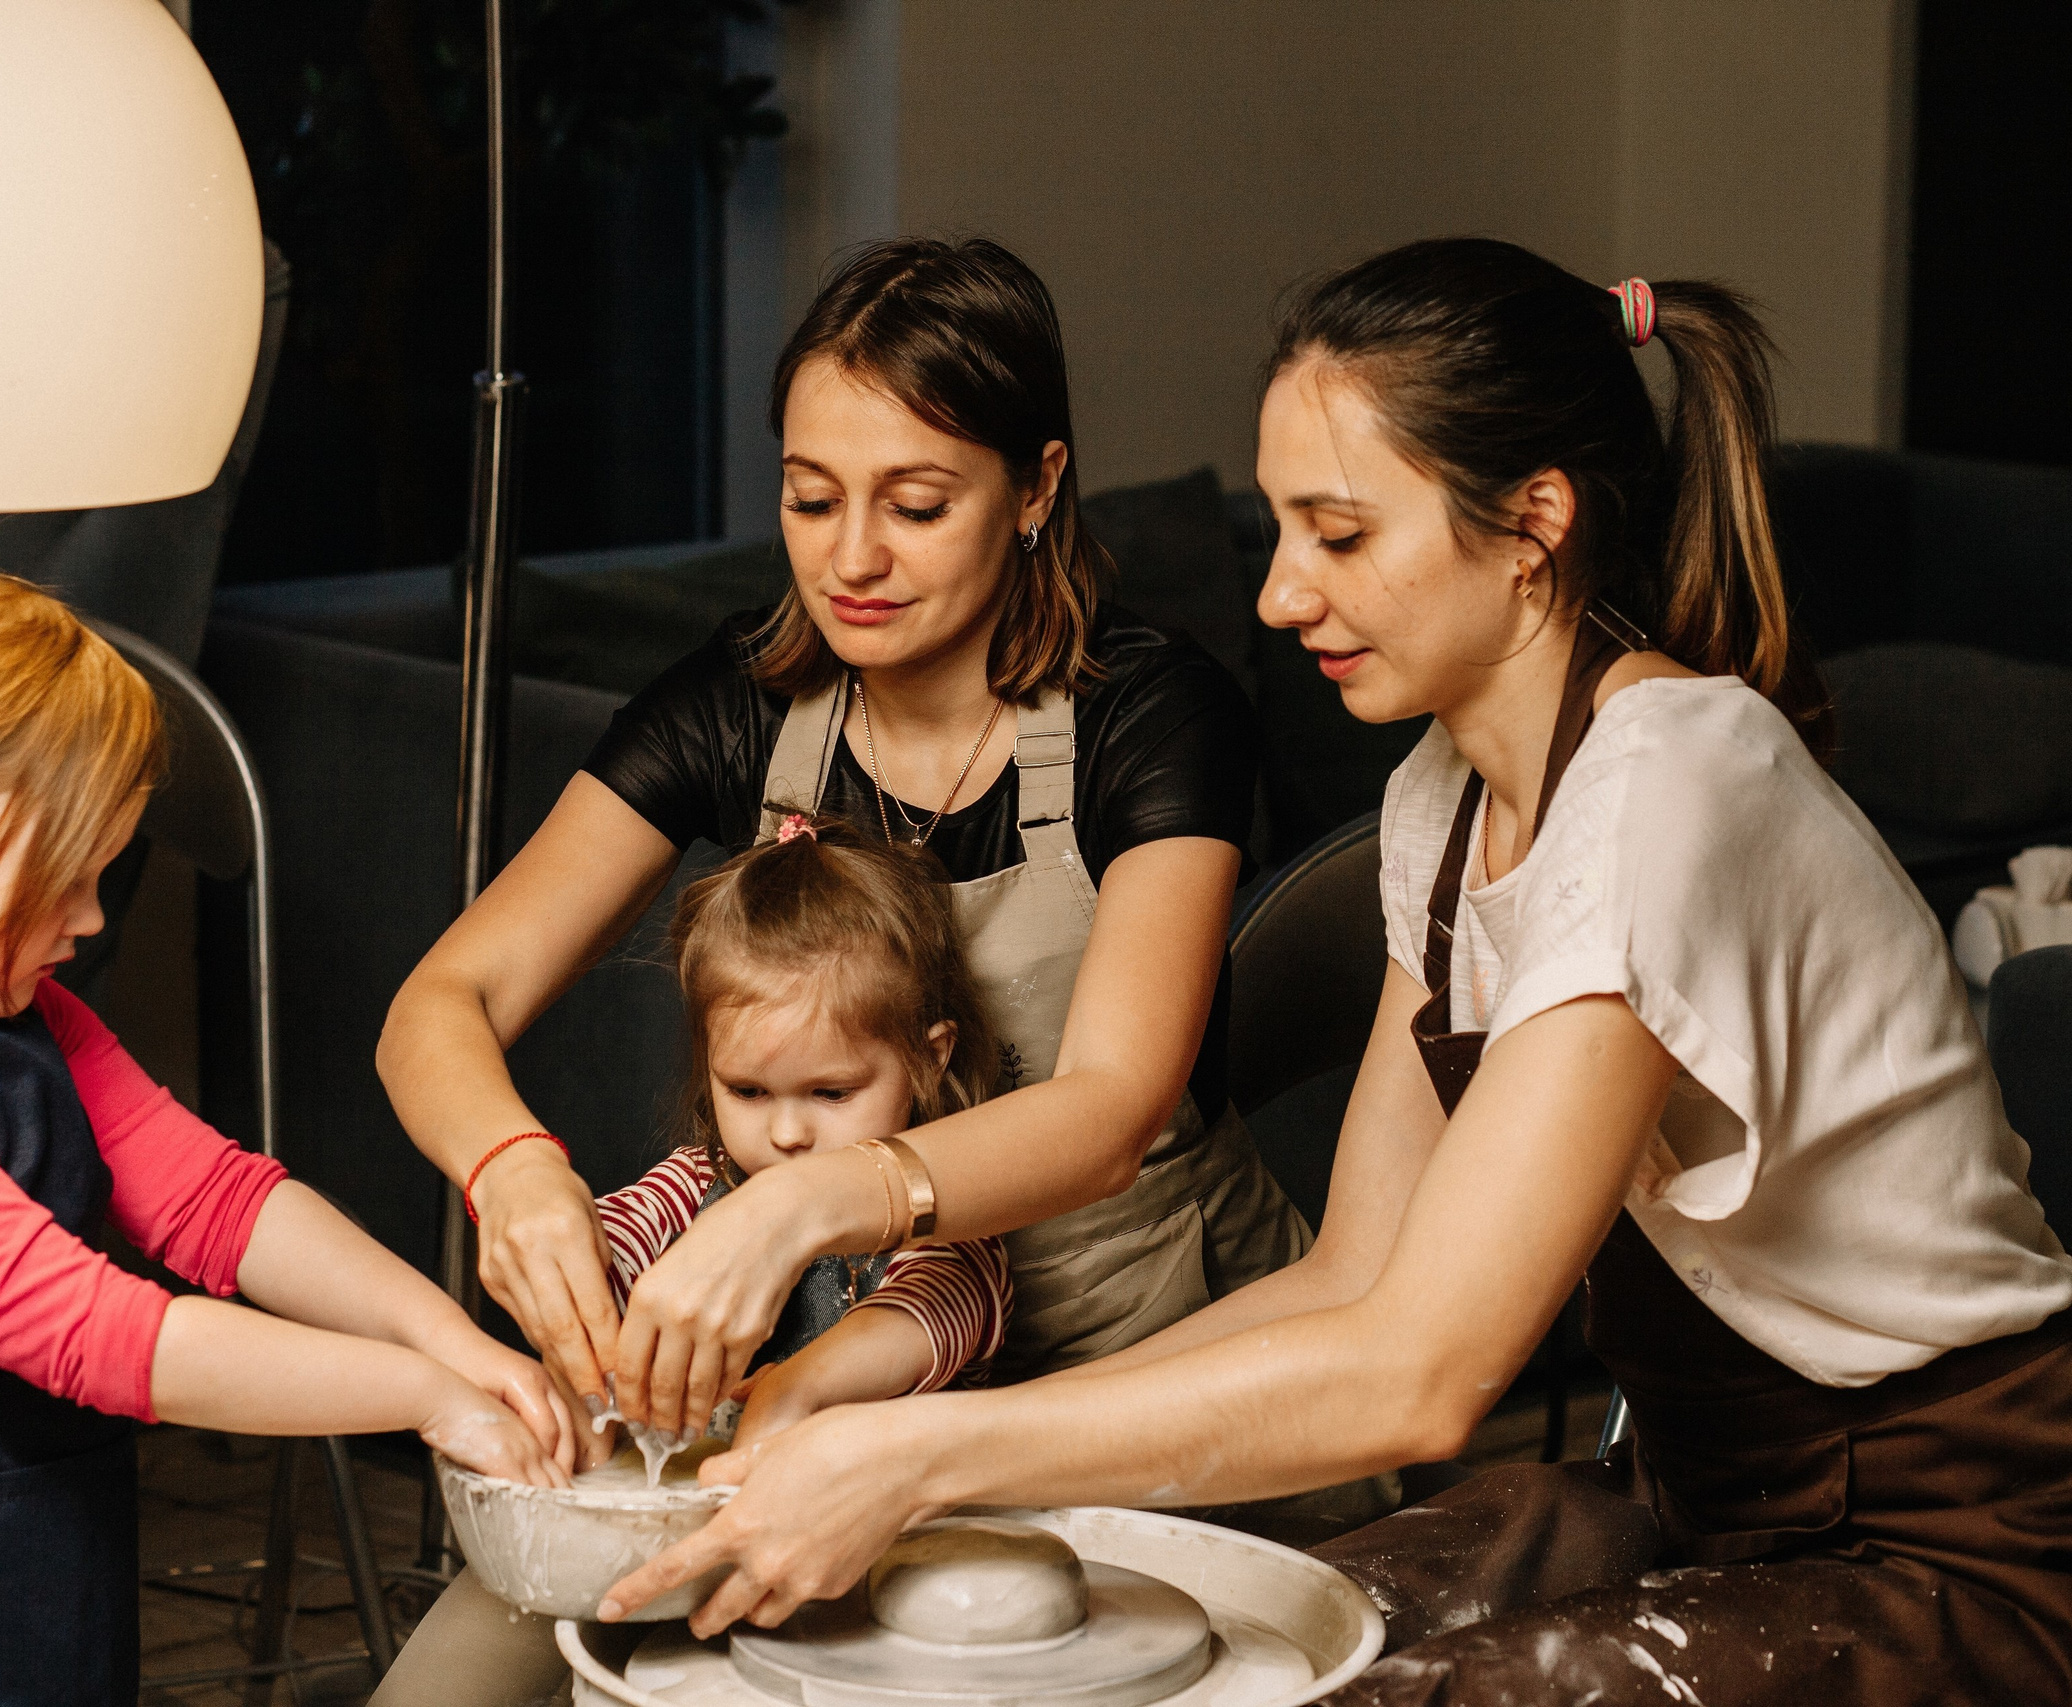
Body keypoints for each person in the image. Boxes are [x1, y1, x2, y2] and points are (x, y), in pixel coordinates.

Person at [600, 239, 2072, 1706]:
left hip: (1959, 1554)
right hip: (1705, 1499)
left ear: (1531, 526)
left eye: (1340, 535)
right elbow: (1353, 1274)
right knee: (1225, 1646)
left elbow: (1424, 1373)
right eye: (1285, 533)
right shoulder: (1448, 794)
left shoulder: (1670, 789)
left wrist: (923, 1453)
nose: (1282, 593)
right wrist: (949, 1457)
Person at [378, 236, 1306, 1454]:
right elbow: (443, 1001)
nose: (851, 558)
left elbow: (1110, 1109)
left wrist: (804, 1203)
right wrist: (512, 1171)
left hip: (1148, 1363)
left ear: (1036, 490)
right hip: (837, 1400)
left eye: (916, 506)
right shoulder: (735, 705)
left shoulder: (1152, 715)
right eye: (811, 498)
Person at [0, 561, 572, 1707]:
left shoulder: (25, 1014)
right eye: (58, 879)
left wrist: (451, 1341)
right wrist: (425, 1397)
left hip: (24, 1556)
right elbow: (112, 1339)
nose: (86, 920)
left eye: (100, 876)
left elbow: (216, 1202)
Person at [370, 811, 1013, 1706]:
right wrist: (577, 1281)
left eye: (832, 1091)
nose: (786, 1133)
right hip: (667, 1539)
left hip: (861, 1579)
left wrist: (802, 1384)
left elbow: (934, 1312)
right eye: (747, 1090)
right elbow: (623, 1232)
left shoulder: (948, 1225)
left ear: (927, 1057)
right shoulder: (700, 1183)